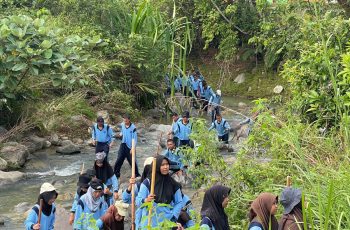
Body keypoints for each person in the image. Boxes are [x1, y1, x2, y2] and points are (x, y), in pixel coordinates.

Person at [136, 155, 183, 229]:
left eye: (167, 164)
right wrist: (145, 200)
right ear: (157, 167)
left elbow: (179, 202)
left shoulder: (173, 184)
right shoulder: (148, 182)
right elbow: (138, 201)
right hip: (150, 222)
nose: (166, 167)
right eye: (162, 165)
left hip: (166, 222)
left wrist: (173, 216)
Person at [114, 114, 141, 179]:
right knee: (119, 159)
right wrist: (120, 134)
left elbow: (135, 139)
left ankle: (136, 174)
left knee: (132, 161)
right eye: (124, 119)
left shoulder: (133, 128)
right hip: (123, 144)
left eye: (126, 119)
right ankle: (116, 174)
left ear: (129, 120)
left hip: (130, 146)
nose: (125, 120)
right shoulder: (123, 125)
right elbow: (122, 131)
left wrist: (132, 148)